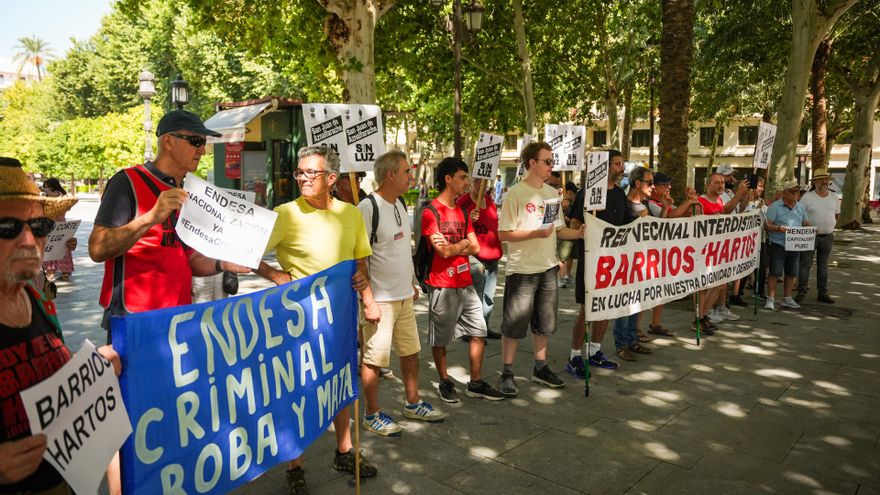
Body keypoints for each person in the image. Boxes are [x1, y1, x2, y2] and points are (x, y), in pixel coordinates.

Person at [252, 145, 379, 494]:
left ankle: (344, 451)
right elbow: (247, 249)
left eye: (312, 173)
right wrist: (274, 274)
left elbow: (360, 262)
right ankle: (295, 465)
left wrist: (366, 295)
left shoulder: (351, 214)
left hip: (339, 318)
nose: (304, 179)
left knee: (340, 385)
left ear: (332, 178)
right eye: (300, 173)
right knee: (298, 390)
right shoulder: (285, 214)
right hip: (296, 321)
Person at [0, 157, 121, 495]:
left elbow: (51, 381)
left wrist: (92, 370)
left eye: (39, 227)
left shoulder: (36, 299)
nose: (28, 241)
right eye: (8, 227)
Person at [88, 110, 250, 339]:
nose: (202, 150)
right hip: (135, 319)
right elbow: (97, 249)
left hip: (178, 318)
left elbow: (190, 258)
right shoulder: (127, 182)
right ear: (168, 141)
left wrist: (224, 263)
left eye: (203, 142)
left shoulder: (189, 190)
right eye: (196, 141)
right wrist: (151, 217)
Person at [357, 151, 445, 437]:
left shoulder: (400, 203)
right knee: (374, 358)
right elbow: (359, 259)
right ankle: (371, 414)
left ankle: (413, 402)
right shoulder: (368, 207)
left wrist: (410, 282)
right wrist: (368, 300)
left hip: (404, 295)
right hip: (380, 300)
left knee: (411, 352)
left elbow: (399, 249)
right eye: (407, 171)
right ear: (390, 174)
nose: (411, 176)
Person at [496, 142, 584, 396]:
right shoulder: (515, 194)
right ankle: (507, 372)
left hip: (547, 268)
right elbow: (504, 233)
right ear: (532, 163)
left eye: (552, 161)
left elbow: (558, 230)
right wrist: (534, 232)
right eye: (547, 161)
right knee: (513, 325)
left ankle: (540, 367)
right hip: (522, 269)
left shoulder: (551, 194)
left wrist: (577, 233)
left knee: (545, 323)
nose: (551, 166)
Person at [421, 157, 504, 403]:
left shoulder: (463, 211)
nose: (466, 182)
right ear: (448, 179)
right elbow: (443, 252)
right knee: (441, 339)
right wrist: (461, 246)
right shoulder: (430, 211)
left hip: (465, 282)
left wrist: (456, 246)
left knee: (479, 333)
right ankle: (445, 381)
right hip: (442, 285)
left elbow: (475, 246)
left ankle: (475, 382)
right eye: (462, 177)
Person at [567, 150, 626, 377]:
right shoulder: (588, 193)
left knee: (607, 306)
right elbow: (574, 222)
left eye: (623, 163)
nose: (622, 168)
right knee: (587, 310)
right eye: (618, 163)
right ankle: (574, 356)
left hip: (613, 261)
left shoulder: (621, 194)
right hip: (591, 260)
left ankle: (595, 351)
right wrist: (582, 233)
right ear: (607, 166)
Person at [643, 172, 701, 338]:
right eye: (665, 185)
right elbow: (672, 216)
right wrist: (687, 202)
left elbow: (687, 214)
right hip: (650, 254)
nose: (668, 188)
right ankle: (635, 329)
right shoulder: (651, 204)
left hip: (663, 253)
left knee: (660, 290)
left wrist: (691, 200)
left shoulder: (663, 202)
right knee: (644, 291)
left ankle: (655, 323)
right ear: (655, 187)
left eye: (669, 185)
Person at [611, 166, 656, 361]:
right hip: (624, 263)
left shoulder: (649, 206)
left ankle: (631, 339)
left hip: (641, 262)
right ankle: (621, 344)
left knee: (635, 302)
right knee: (623, 304)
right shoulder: (625, 204)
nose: (652, 187)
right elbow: (618, 229)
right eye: (650, 182)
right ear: (638, 183)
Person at [696, 172, 748, 332]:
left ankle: (704, 316)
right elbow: (697, 224)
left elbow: (726, 211)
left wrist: (741, 195)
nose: (720, 186)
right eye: (717, 183)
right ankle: (698, 319)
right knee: (703, 287)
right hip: (704, 249)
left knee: (720, 284)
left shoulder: (718, 200)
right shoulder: (700, 202)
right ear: (708, 184)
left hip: (718, 249)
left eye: (722, 183)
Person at [457, 177, 503, 339]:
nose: (481, 185)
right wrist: (468, 219)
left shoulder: (490, 202)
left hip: (493, 256)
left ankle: (483, 327)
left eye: (484, 181)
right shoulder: (463, 202)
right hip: (474, 256)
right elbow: (454, 228)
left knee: (489, 296)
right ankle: (471, 331)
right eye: (477, 181)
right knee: (474, 296)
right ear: (470, 181)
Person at [765, 179, 810, 310]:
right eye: (792, 191)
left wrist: (812, 229)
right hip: (778, 244)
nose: (795, 194)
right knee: (775, 272)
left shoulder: (800, 206)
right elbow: (767, 225)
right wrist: (778, 228)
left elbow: (805, 222)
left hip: (795, 244)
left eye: (797, 192)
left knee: (792, 273)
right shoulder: (775, 206)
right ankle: (770, 298)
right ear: (784, 192)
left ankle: (787, 298)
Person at [796, 169, 839, 304]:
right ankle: (801, 291)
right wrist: (807, 227)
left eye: (826, 179)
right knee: (805, 265)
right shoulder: (807, 197)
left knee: (823, 265)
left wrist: (829, 226)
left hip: (828, 236)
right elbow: (799, 215)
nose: (824, 182)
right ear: (815, 182)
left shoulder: (834, 197)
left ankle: (823, 293)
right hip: (809, 236)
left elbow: (837, 215)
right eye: (821, 179)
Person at [39, 178, 77, 282]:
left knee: (60, 247)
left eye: (47, 186)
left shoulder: (59, 194)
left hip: (58, 225)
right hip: (55, 224)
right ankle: (52, 271)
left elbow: (54, 195)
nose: (46, 188)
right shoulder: (53, 196)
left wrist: (43, 189)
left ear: (53, 186)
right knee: (52, 247)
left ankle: (60, 272)